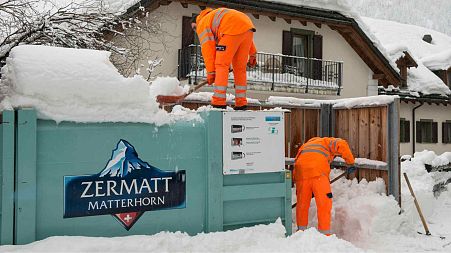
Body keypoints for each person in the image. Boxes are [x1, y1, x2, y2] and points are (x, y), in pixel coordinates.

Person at [191, 8, 257, 110]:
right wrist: (252, 54)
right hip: (248, 27)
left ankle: (219, 101)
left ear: (197, 21)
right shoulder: (214, 17)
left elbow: (208, 52)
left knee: (221, 65)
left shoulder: (202, 23)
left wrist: (211, 73)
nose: (195, 31)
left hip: (231, 30)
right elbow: (242, 32)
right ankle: (241, 103)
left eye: (194, 28)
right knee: (240, 69)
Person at [293, 137, 356, 236]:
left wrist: (298, 181)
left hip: (301, 175)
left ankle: (301, 232)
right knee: (324, 203)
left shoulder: (304, 147)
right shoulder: (326, 141)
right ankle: (324, 233)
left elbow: (296, 162)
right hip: (318, 174)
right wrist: (350, 162)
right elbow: (342, 144)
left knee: (302, 204)